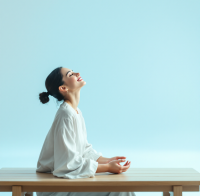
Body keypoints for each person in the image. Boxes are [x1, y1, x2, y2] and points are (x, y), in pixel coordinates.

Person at [36, 67, 136, 196]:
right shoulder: (66, 114)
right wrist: (108, 168)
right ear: (63, 88)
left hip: (65, 181)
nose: (78, 73)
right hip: (55, 187)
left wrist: (107, 161)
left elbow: (83, 150)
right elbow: (66, 165)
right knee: (121, 190)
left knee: (122, 186)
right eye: (70, 74)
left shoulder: (76, 112)